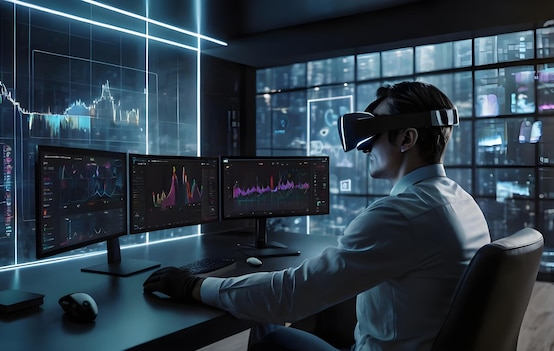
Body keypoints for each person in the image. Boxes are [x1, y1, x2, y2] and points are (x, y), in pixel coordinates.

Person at [143, 81, 491, 351]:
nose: (365, 147)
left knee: (272, 333)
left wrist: (192, 285)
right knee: (296, 310)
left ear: (406, 138)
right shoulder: (462, 203)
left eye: (374, 134)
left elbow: (289, 296)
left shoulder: (401, 215)